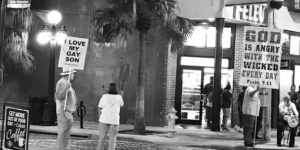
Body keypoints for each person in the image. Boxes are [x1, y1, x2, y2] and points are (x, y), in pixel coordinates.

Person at [55, 69, 77, 150]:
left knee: (65, 135)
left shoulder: (66, 82)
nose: (74, 75)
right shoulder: (63, 83)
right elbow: (58, 96)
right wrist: (66, 87)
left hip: (67, 112)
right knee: (63, 134)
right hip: (64, 112)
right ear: (69, 74)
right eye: (73, 73)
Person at [97, 83, 124, 150]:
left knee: (102, 138)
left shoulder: (104, 96)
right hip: (114, 119)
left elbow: (99, 107)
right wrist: (121, 95)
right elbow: (121, 104)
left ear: (109, 88)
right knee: (113, 138)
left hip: (104, 118)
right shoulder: (119, 97)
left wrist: (100, 117)